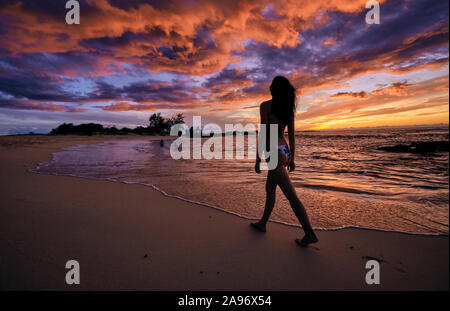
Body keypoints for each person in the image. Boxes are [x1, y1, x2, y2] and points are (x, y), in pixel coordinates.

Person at [252, 76, 318, 247]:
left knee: (291, 196)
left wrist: (258, 158)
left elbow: (264, 133)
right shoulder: (288, 109)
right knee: (270, 189)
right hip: (284, 151)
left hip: (274, 153)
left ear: (273, 89)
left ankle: (309, 233)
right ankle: (262, 224)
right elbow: (292, 136)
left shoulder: (265, 106)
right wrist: (292, 157)